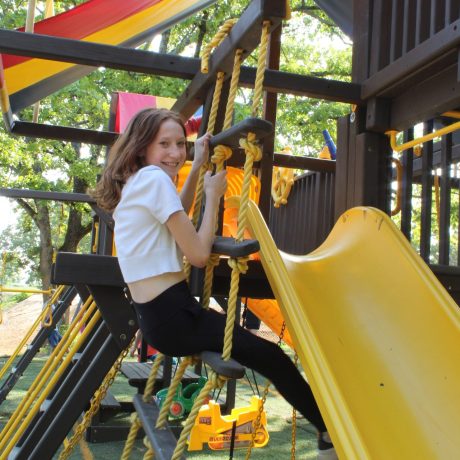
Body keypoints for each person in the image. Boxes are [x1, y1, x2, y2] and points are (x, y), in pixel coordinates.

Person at [93, 108, 337, 459]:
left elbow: (176, 208)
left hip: (159, 318)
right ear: (142, 146)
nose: (176, 153)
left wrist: (195, 169)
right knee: (271, 357)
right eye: (164, 144)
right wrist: (213, 197)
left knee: (265, 356)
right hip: (175, 315)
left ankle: (326, 430)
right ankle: (329, 432)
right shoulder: (153, 179)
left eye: (181, 143)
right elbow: (196, 253)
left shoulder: (136, 183)